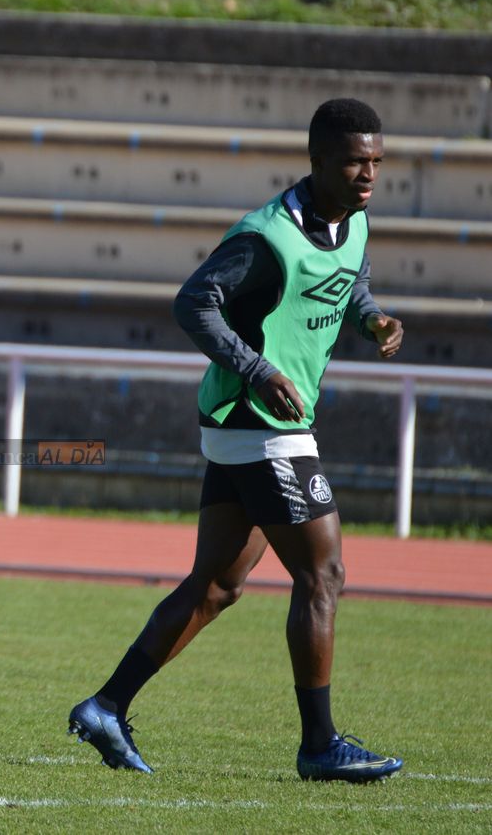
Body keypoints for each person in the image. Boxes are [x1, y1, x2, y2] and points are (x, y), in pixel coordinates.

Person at [68, 98, 405, 783]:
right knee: (324, 574)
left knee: (217, 585)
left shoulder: (355, 219)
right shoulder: (266, 236)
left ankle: (106, 706)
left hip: (250, 425)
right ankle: (320, 745)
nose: (368, 173)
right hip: (264, 425)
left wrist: (371, 319)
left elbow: (352, 280)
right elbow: (194, 301)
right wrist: (256, 368)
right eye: (353, 161)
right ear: (317, 162)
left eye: (375, 160)